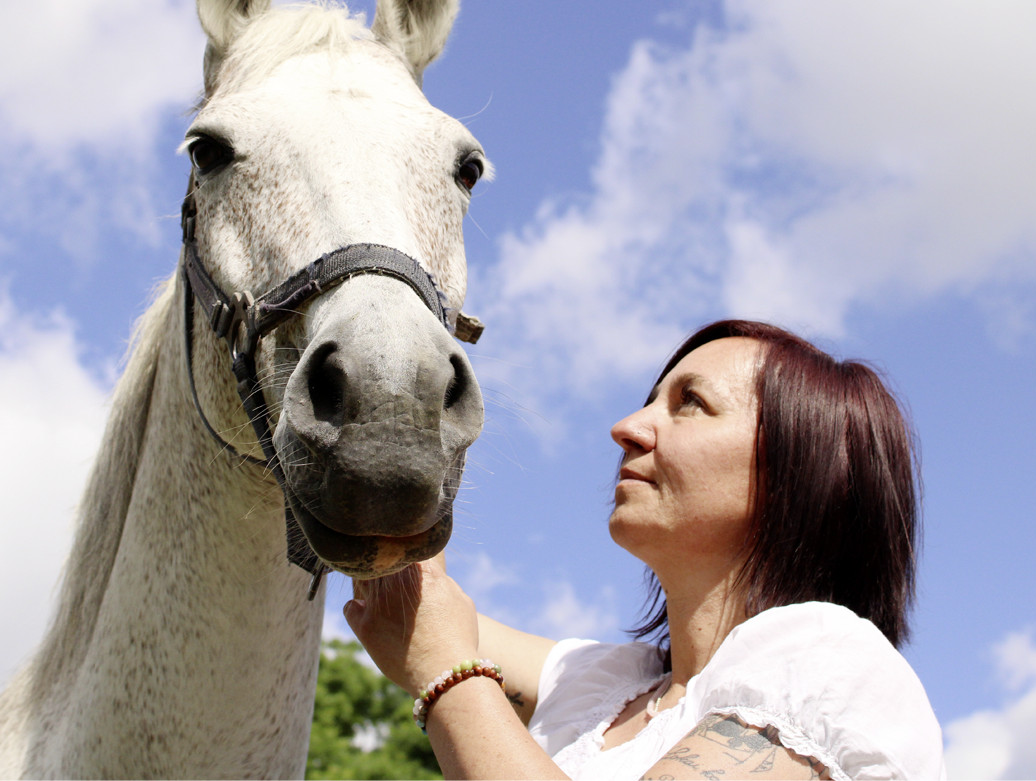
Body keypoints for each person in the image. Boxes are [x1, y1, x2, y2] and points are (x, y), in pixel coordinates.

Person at [345, 320, 945, 780]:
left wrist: (448, 676)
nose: (627, 426)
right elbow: (415, 603)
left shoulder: (829, 667)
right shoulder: (606, 684)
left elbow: (438, 647)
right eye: (652, 398)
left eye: (691, 403)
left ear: (797, 474)